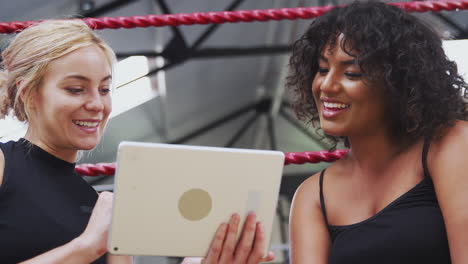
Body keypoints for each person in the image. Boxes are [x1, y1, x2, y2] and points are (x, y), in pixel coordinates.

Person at [0, 20, 274, 264]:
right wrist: (85, 248)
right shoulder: (4, 165)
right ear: (29, 94)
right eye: (76, 89)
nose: (97, 104)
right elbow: (87, 247)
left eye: (105, 89)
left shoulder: (104, 208)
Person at [287, 1, 468, 263]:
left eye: (352, 73)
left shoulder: (451, 144)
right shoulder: (312, 196)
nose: (327, 85)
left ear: (398, 83)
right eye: (323, 69)